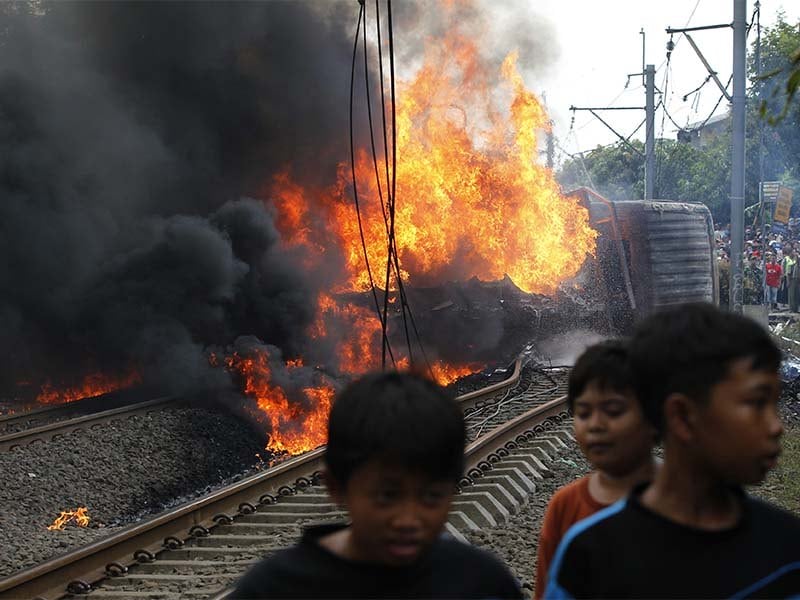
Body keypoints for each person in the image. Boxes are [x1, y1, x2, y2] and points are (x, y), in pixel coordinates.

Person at [545, 303, 800, 598]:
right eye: (756, 403)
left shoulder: (787, 548)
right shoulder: (590, 557)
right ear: (682, 417)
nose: (776, 426)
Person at [231, 371, 523, 599]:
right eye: (387, 496)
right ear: (336, 487)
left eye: (431, 496)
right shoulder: (275, 590)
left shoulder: (482, 585)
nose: (408, 519)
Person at [533, 340, 656, 599]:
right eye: (584, 413)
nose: (595, 425)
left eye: (612, 411)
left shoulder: (689, 500)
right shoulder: (565, 506)